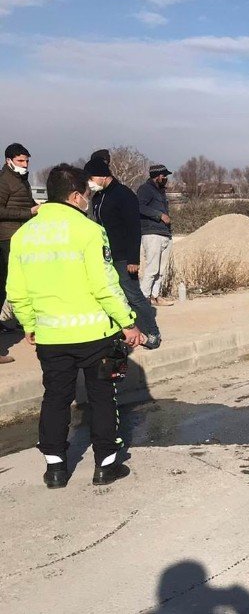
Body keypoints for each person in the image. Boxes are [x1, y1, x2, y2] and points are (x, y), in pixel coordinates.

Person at [6, 164, 144, 488]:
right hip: (94, 334)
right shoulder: (89, 231)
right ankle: (105, 465)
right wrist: (128, 323)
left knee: (55, 397)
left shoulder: (24, 235)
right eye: (84, 195)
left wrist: (29, 324)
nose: (86, 200)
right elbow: (105, 286)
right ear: (75, 196)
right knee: (101, 397)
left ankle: (55, 469)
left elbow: (15, 291)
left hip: (50, 336)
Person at [85, 157, 161, 349]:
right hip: (106, 255)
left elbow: (134, 228)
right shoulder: (98, 197)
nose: (90, 183)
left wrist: (133, 258)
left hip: (123, 256)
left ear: (103, 175)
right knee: (116, 296)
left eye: (92, 178)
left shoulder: (123, 195)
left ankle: (152, 333)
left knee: (133, 295)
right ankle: (125, 331)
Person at [0, 143, 39, 357]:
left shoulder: (21, 180)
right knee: (11, 284)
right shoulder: (4, 180)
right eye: (21, 161)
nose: (25, 165)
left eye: (27, 161)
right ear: (9, 161)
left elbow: (27, 203)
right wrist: (28, 212)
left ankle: (11, 322)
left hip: (22, 237)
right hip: (7, 238)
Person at [137, 164, 174, 306]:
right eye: (164, 176)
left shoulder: (161, 192)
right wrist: (159, 215)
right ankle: (144, 298)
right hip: (152, 233)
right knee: (152, 268)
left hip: (165, 233)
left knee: (161, 270)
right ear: (157, 176)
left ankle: (155, 296)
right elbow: (139, 207)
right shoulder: (145, 190)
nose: (165, 178)